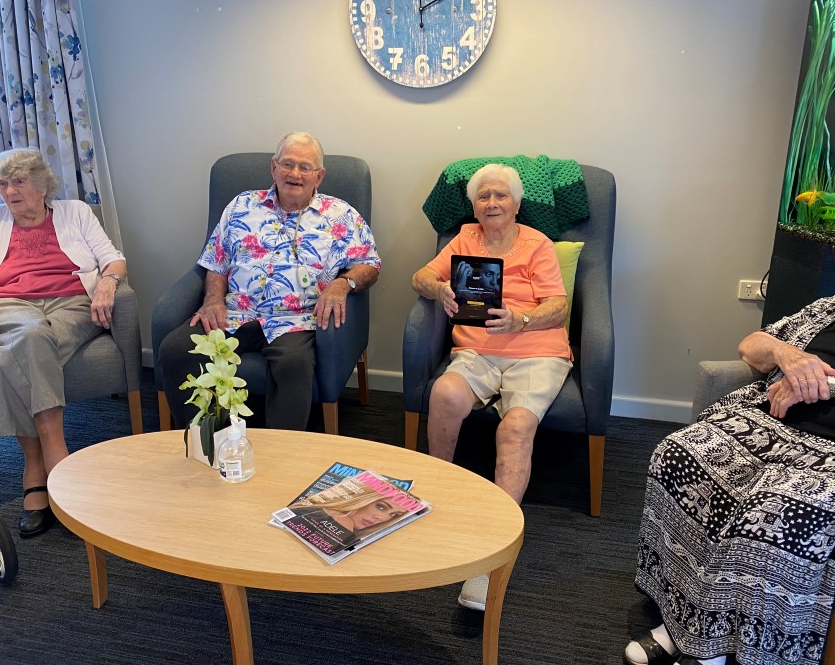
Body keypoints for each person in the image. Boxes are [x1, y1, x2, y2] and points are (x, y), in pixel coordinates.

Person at [624, 205, 835, 665]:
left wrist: (826, 382)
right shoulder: (829, 307)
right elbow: (752, 345)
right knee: (680, 453)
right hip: (770, 428)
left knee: (775, 507)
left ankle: (721, 645)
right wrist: (789, 355)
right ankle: (683, 612)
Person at [0, 148, 127, 538]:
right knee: (29, 336)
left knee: (12, 359)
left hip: (72, 304)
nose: (10, 191)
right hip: (13, 305)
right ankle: (55, 456)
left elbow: (113, 258)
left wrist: (107, 282)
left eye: (19, 182)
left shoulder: (76, 212)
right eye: (2, 184)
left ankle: (33, 469)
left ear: (41, 185)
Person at [410, 162, 573, 611]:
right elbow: (418, 277)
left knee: (516, 427)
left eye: (501, 196)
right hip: (477, 352)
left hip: (536, 352)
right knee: (444, 393)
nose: (492, 203)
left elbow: (558, 306)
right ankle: (436, 491)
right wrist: (439, 288)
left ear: (517, 204)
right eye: (484, 196)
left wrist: (521, 318)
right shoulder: (464, 239)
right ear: (474, 205)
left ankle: (494, 550)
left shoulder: (537, 245)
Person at [159, 132, 380, 431]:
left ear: (319, 176)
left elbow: (370, 264)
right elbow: (216, 261)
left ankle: (280, 458)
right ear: (273, 168)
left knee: (293, 365)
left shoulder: (341, 215)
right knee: (175, 349)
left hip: (297, 321)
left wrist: (343, 284)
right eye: (287, 164)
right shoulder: (241, 206)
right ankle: (203, 440)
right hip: (235, 314)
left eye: (305, 167)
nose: (295, 174)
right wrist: (212, 300)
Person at [287, 490, 411, 545]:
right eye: (381, 507)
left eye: (393, 515)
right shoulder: (342, 520)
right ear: (363, 498)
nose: (381, 518)